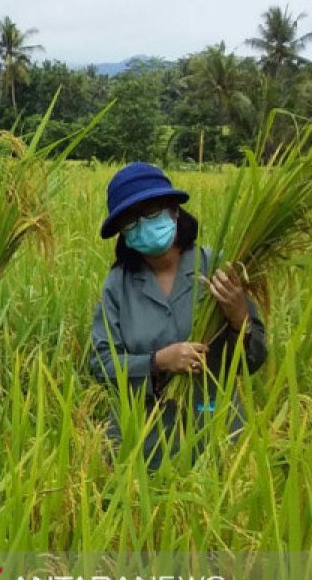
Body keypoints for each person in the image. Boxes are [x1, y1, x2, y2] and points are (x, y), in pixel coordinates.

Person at [89, 162, 268, 469]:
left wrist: (240, 317)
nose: (142, 225)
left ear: (173, 211)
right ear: (122, 233)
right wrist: (157, 361)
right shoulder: (118, 285)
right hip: (141, 440)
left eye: (151, 212)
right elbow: (100, 364)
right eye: (131, 221)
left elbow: (254, 360)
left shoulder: (217, 270)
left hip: (215, 430)